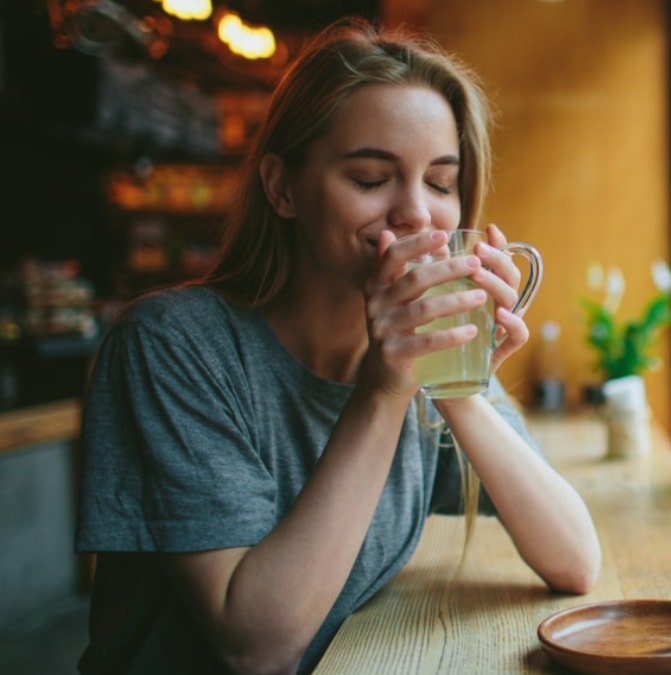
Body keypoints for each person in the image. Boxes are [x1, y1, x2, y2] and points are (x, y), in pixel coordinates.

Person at [75, 18, 602, 674]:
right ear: (283, 187)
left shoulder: (417, 348)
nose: (417, 213)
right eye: (371, 177)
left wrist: (456, 384)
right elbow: (256, 646)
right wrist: (385, 391)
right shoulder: (171, 347)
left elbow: (575, 558)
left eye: (441, 183)